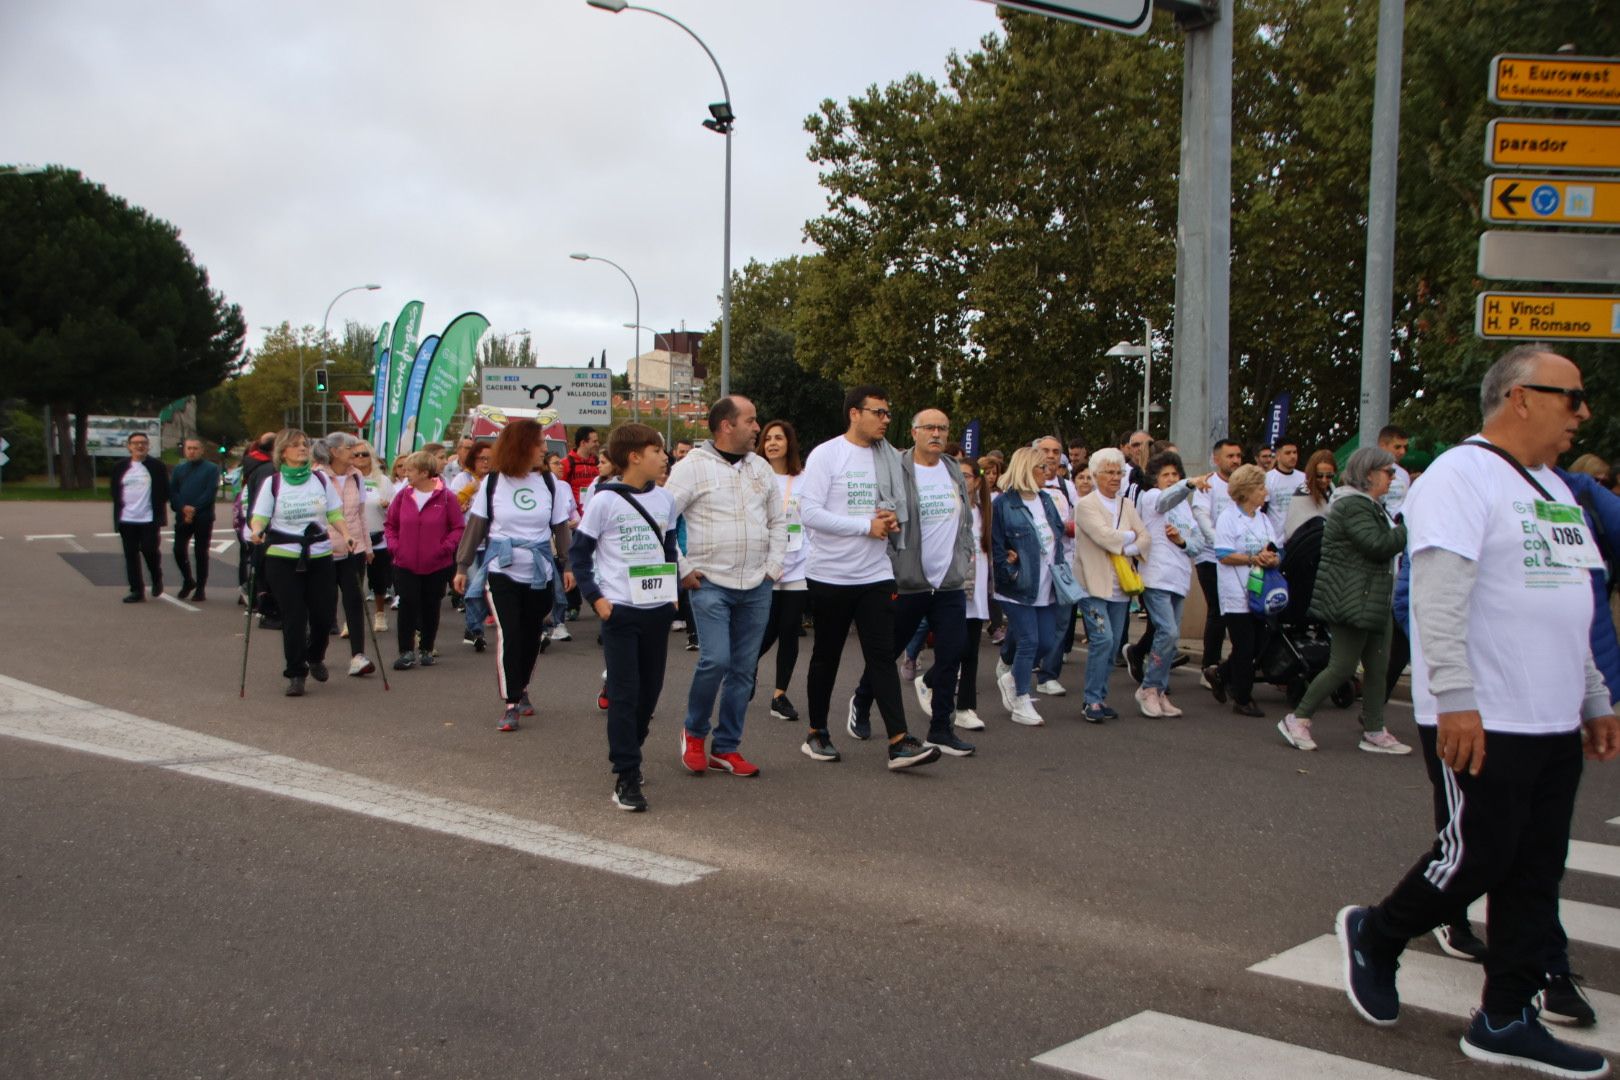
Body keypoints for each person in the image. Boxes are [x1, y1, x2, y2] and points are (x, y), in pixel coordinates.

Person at [1336, 345, 1619, 1078]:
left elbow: (1569, 599)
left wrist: (1592, 694)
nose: (1582, 413)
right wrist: (1455, 699)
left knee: (1535, 868)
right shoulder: (1461, 476)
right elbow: (1436, 597)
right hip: (1484, 713)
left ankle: (1504, 1015)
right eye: (1571, 397)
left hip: (1552, 716)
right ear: (1520, 397)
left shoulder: (1553, 487)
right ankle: (1379, 932)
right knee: (1478, 852)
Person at [797, 386, 941, 769]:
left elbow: (889, 508)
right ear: (854, 414)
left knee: (881, 655)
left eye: (888, 413)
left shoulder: (889, 457)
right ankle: (816, 733)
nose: (886, 419)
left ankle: (899, 742)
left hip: (876, 572)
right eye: (879, 412)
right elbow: (809, 512)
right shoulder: (827, 455)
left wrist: (891, 520)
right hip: (830, 574)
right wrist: (865, 526)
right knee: (826, 656)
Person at [664, 395, 786, 777]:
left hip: (757, 585)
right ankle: (695, 732)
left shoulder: (761, 468)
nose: (757, 428)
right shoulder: (691, 467)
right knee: (715, 659)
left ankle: (727, 747)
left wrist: (773, 566)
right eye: (750, 421)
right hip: (710, 583)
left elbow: (778, 521)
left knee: (744, 670)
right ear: (726, 426)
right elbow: (663, 520)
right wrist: (682, 568)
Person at [849, 408, 978, 757]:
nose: (936, 433)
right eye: (929, 428)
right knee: (887, 652)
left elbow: (964, 518)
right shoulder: (898, 467)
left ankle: (940, 729)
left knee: (952, 652)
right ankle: (861, 701)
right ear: (915, 432)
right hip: (909, 581)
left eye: (942, 428)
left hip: (947, 583)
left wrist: (963, 554)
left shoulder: (952, 468)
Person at [569, 424, 679, 812]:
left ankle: (632, 749)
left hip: (657, 612)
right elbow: (579, 556)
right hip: (619, 611)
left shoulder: (666, 500)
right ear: (634, 456)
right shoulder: (604, 500)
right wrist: (596, 599)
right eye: (657, 450)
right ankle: (626, 775)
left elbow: (668, 549)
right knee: (624, 693)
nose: (664, 457)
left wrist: (674, 593)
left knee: (649, 694)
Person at [1278, 447, 1409, 754]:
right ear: (1369, 474)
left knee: (1378, 666)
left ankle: (1374, 729)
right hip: (1351, 597)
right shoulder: (1352, 505)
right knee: (1341, 666)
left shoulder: (1372, 505)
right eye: (1388, 473)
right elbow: (1376, 545)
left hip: (1373, 597)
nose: (1393, 478)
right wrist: (1408, 528)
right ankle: (1298, 718)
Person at [453, 419, 574, 731]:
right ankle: (511, 702)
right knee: (510, 632)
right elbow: (476, 526)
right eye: (540, 443)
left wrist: (569, 565)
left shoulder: (550, 484)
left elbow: (560, 528)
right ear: (522, 446)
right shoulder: (493, 483)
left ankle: (522, 688)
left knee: (531, 634)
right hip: (501, 569)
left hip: (540, 571)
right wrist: (462, 566)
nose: (546, 449)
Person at [248, 429, 352, 696]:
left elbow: (334, 512)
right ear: (283, 452)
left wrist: (346, 533)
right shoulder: (273, 483)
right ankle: (296, 672)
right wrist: (257, 530)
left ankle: (315, 655)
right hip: (283, 557)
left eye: (304, 444)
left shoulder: (319, 479)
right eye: (295, 446)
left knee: (324, 614)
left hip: (318, 554)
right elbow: (259, 516)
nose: (302, 449)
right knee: (293, 616)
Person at [1073, 448, 1150, 723]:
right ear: (1095, 475)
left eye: (1119, 472)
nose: (1115, 477)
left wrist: (1125, 541)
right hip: (1093, 585)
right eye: (1109, 472)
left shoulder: (1127, 505)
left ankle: (1100, 696)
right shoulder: (1085, 505)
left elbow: (1145, 538)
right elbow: (1104, 537)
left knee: (1114, 642)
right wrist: (1129, 539)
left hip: (1122, 587)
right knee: (1102, 639)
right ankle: (1091, 700)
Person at [990, 447, 1065, 727]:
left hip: (1047, 583)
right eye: (1040, 467)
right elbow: (997, 547)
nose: (1047, 472)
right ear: (1026, 469)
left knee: (1047, 641)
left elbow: (1056, 536)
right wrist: (1011, 571)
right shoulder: (1003, 504)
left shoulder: (1046, 500)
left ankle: (1011, 676)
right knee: (1029, 641)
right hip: (1017, 585)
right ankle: (1021, 697)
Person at [1133, 451, 1208, 718]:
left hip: (1179, 578)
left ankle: (1160, 690)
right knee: (1168, 633)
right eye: (1166, 475)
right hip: (1156, 576)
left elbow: (1198, 544)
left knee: (1171, 640)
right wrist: (1188, 484)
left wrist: (1182, 542)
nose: (1171, 479)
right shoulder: (1152, 497)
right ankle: (1149, 688)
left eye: (1175, 474)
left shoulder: (1184, 508)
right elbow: (1167, 498)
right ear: (1155, 479)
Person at [1203, 463, 1278, 718]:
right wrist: (1252, 558)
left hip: (1260, 590)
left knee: (1259, 644)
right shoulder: (1228, 517)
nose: (1265, 492)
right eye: (1260, 488)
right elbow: (1223, 554)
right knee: (1244, 646)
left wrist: (1273, 559)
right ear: (1246, 491)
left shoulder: (1264, 518)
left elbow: (1275, 547)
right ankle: (1243, 698)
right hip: (1236, 591)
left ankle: (1221, 673)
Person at [385, 450, 464, 670]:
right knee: (407, 604)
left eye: (410, 470)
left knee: (431, 606)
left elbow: (457, 527)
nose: (405, 473)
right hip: (405, 562)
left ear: (424, 472)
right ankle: (406, 651)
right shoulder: (402, 495)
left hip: (436, 564)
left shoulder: (447, 497)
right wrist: (395, 547)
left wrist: (445, 548)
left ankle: (427, 648)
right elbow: (390, 525)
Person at [755, 419, 810, 723]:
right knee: (768, 628)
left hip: (798, 564)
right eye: (768, 438)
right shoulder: (757, 479)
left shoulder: (804, 479)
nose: (773, 443)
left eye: (779, 438)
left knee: (790, 629)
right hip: (765, 566)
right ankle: (748, 666)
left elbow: (811, 519)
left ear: (789, 443)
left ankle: (780, 695)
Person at [318, 433, 376, 676]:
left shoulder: (357, 476)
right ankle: (316, 654)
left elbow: (361, 514)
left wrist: (368, 546)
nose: (354, 450)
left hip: (354, 548)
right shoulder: (317, 476)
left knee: (354, 600)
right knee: (323, 604)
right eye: (349, 446)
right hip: (324, 549)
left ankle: (358, 656)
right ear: (333, 451)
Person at [1192, 440, 1243, 677]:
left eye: (1238, 456)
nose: (1235, 460)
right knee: (1217, 611)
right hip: (1210, 557)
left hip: (1237, 559)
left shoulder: (1243, 485)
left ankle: (1235, 664)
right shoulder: (1208, 485)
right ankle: (1209, 667)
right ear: (1216, 459)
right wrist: (1221, 545)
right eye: (1230, 456)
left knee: (1237, 613)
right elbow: (1202, 517)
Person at [951, 457, 993, 731]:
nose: (963, 480)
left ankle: (965, 708)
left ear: (977, 480)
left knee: (970, 653)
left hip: (977, 590)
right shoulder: (950, 509)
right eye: (958, 475)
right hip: (954, 587)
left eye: (967, 476)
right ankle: (930, 682)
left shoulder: (985, 512)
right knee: (955, 649)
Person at [112, 431, 168, 603]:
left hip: (149, 519)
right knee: (131, 555)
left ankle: (156, 577)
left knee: (149, 549)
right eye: (135, 443)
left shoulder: (157, 466)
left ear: (148, 446)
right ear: (129, 446)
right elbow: (115, 492)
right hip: (127, 519)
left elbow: (164, 490)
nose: (139, 446)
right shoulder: (120, 467)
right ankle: (137, 590)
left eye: (143, 443)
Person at [455, 441, 495, 650]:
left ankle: (474, 627)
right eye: (482, 458)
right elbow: (451, 505)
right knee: (473, 585)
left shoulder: (497, 480)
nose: (486, 463)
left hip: (490, 542)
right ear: (473, 459)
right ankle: (474, 629)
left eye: (490, 458)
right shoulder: (462, 479)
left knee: (486, 587)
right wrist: (470, 490)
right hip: (469, 542)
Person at [168, 437, 219, 602]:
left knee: (200, 552)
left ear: (201, 450)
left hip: (203, 516)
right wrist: (183, 507)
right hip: (183, 516)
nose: (192, 451)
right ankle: (188, 580)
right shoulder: (179, 469)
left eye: (195, 448)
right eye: (189, 448)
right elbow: (173, 492)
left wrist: (195, 508)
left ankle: (201, 588)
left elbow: (210, 492)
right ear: (185, 450)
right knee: (178, 550)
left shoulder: (211, 469)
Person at [353, 440, 395, 635]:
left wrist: (387, 506)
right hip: (354, 537)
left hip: (378, 536)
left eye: (364, 454)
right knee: (352, 580)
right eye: (356, 455)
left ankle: (379, 614)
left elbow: (394, 510)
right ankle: (352, 619)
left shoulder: (382, 481)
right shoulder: (348, 479)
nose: (360, 458)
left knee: (378, 580)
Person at [237, 433, 277, 612]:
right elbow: (262, 502)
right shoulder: (268, 470)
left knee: (255, 562)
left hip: (251, 523)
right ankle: (260, 600)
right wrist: (259, 526)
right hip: (262, 527)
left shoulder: (253, 464)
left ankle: (254, 595)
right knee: (263, 566)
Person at [1283, 450, 1337, 540]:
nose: (1324, 480)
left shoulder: (1332, 489)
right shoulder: (1302, 494)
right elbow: (1293, 531)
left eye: (1329, 476)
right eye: (1319, 475)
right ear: (1312, 473)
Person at [1264, 439, 1301, 537]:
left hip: (1299, 538)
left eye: (1295, 452)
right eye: (1288, 453)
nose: (1293, 456)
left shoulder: (1304, 478)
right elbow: (1262, 511)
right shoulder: (1267, 479)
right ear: (1277, 456)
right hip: (1276, 540)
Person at [1377, 425, 1411, 517]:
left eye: (1405, 447)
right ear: (1382, 446)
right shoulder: (1367, 470)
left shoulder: (1403, 474)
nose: (1402, 452)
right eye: (1397, 447)